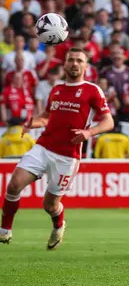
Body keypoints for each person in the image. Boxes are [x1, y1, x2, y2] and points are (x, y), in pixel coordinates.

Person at [0, 48, 114, 248]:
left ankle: (58, 224)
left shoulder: (92, 90)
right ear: (65, 64)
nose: (75, 64)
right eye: (71, 60)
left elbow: (108, 122)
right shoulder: (57, 89)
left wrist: (88, 133)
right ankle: (5, 230)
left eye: (79, 60)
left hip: (67, 156)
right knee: (14, 185)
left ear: (86, 66)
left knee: (50, 205)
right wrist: (32, 123)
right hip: (43, 146)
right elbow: (46, 117)